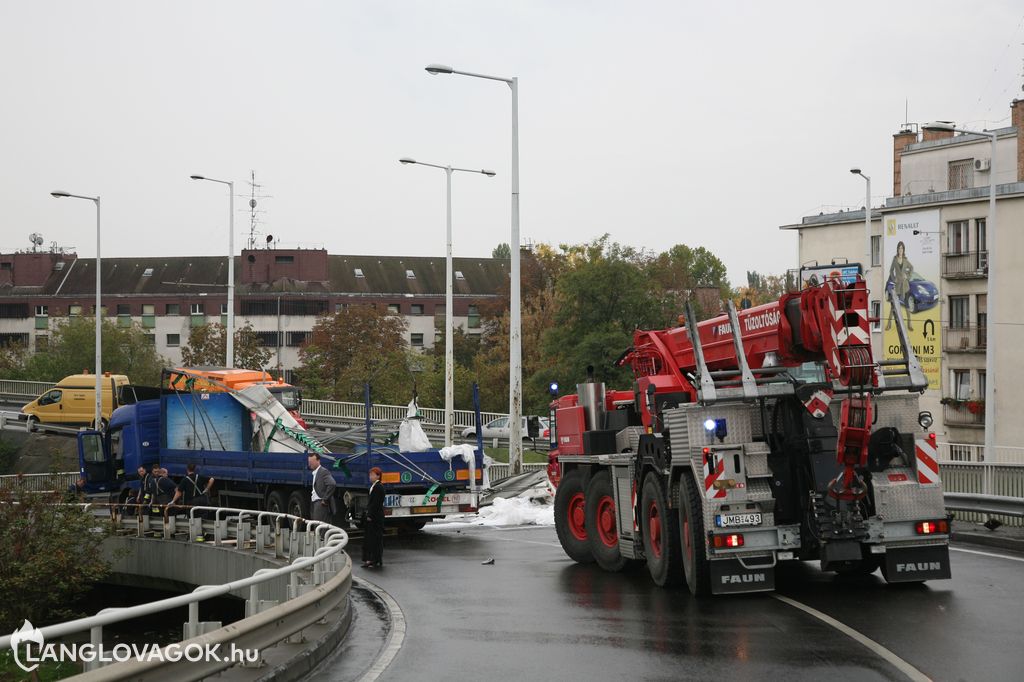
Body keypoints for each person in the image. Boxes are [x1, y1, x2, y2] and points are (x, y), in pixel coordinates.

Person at [171, 462, 215, 541]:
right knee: (203, 517)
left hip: (192, 501)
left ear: (187, 469)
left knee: (193, 518)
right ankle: (202, 534)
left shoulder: (185, 480)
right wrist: (207, 489)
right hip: (202, 500)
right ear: (195, 469)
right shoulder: (199, 477)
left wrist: (173, 501)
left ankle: (195, 535)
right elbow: (212, 479)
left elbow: (179, 492)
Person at [886, 240, 914, 331]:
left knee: (907, 305)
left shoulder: (905, 260)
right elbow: (891, 271)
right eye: (899, 248)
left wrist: (908, 276)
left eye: (902, 248)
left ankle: (909, 323)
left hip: (905, 286)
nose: (900, 250)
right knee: (893, 304)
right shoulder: (894, 259)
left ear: (903, 249)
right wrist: (894, 279)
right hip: (897, 285)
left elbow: (911, 268)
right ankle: (889, 323)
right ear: (897, 249)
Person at [361, 467, 385, 568]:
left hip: (375, 518)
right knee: (374, 538)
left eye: (372, 475)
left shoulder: (378, 487)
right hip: (377, 517)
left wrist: (370, 515)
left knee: (373, 538)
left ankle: (373, 559)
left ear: (378, 476)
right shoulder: (375, 486)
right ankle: (375, 559)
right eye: (370, 475)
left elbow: (375, 503)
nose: (370, 477)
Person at [308, 453, 336, 524]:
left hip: (320, 503)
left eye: (312, 462)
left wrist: (325, 499)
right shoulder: (315, 472)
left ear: (318, 461)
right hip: (315, 503)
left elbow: (332, 484)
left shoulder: (323, 471)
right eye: (309, 462)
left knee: (320, 527)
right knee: (316, 526)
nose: (310, 464)